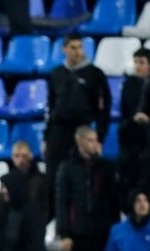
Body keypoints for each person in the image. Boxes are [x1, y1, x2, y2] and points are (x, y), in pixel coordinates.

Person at [54, 126, 120, 251]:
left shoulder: (105, 167)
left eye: (95, 140)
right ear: (80, 141)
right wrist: (64, 233)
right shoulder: (67, 167)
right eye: (90, 140)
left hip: (102, 231)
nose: (94, 144)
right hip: (78, 233)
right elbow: (62, 201)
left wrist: (100, 161)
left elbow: (113, 197)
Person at [46, 34, 111, 182]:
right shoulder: (56, 74)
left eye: (80, 47)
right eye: (73, 48)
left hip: (81, 129)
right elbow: (50, 105)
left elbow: (104, 108)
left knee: (80, 176)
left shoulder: (95, 74)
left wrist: (99, 137)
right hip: (58, 131)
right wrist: (46, 136)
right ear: (64, 49)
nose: (77, 52)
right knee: (54, 176)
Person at [116, 47, 150, 178]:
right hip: (131, 133)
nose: (137, 66)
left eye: (142, 62)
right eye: (136, 62)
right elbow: (126, 109)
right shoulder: (129, 84)